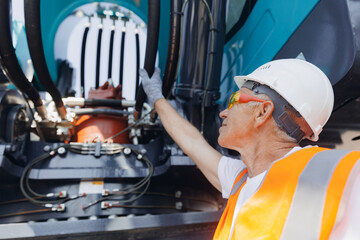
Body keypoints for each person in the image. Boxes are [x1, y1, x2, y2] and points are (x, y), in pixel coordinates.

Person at [140, 59, 360, 239]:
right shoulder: (240, 180)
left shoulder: (347, 173)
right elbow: (192, 143)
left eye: (234, 100)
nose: (223, 113)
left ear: (262, 112)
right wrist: (157, 98)